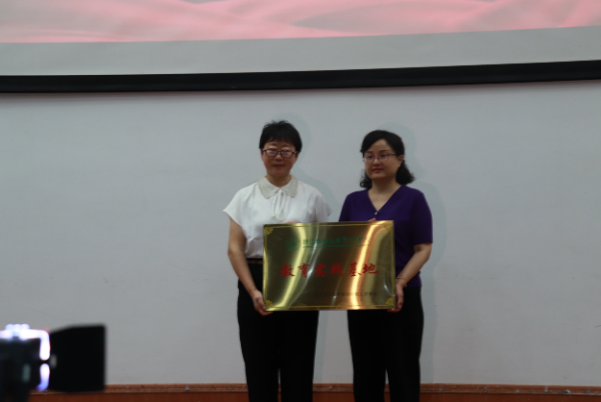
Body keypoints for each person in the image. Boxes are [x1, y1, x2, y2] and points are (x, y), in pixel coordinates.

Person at [224, 120, 331, 402]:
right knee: (259, 366)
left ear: (296, 155)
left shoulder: (313, 196)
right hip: (256, 282)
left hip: (300, 284)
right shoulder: (244, 197)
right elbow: (235, 249)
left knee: (299, 365)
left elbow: (325, 246)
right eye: (272, 149)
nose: (279, 156)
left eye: (286, 150)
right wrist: (253, 291)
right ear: (261, 153)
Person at [339, 130, 433, 402]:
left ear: (400, 159)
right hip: (361, 297)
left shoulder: (414, 199)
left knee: (403, 372)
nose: (375, 161)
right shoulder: (353, 201)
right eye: (369, 156)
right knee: (366, 373)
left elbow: (423, 248)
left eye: (383, 155)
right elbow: (340, 250)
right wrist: (359, 237)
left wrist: (400, 282)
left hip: (402, 297)